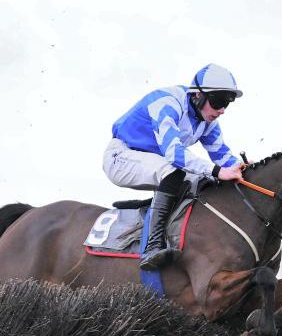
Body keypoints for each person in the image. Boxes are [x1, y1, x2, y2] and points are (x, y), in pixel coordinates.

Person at [103, 63, 245, 270]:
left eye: (227, 103)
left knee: (204, 181)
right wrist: (218, 171)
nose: (222, 110)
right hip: (121, 156)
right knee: (174, 172)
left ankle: (163, 218)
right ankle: (152, 248)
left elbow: (222, 156)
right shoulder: (168, 103)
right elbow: (174, 153)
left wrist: (242, 169)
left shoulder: (208, 121)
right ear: (198, 95)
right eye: (218, 102)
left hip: (154, 161)